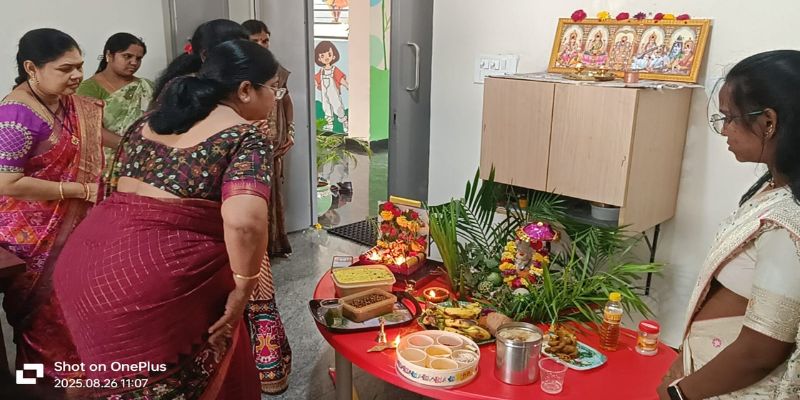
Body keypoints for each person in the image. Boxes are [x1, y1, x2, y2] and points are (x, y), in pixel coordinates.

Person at [54, 40, 280, 399]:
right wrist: (244, 286)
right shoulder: (244, 135)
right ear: (245, 90)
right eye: (274, 89)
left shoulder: (146, 122)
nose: (276, 99)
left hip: (83, 266)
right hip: (150, 282)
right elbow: (245, 223)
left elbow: (110, 187)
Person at [659, 50, 800, 399]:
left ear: (768, 122)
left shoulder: (788, 222)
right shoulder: (773, 188)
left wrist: (680, 394)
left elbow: (761, 351)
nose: (724, 130)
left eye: (729, 118)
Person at [0, 28, 104, 384]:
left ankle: (81, 383)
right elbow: (7, 182)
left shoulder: (70, 105)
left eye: (80, 66)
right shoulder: (15, 114)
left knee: (79, 315)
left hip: (75, 231)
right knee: (44, 321)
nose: (77, 75)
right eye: (65, 68)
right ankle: (40, 387)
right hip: (32, 238)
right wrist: (79, 190)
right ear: (32, 68)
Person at [243, 19, 294, 256]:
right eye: (256, 41)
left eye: (265, 40)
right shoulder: (237, 71)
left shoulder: (275, 69)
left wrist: (290, 131)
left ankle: (273, 245)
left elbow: (286, 100)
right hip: (248, 145)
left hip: (274, 143)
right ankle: (253, 253)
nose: (262, 45)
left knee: (273, 194)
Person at [77, 33, 153, 176]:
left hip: (144, 159)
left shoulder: (146, 86)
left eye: (138, 58)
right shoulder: (89, 88)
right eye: (127, 56)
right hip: (105, 164)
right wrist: (131, 146)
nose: (134, 62)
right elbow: (91, 130)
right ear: (109, 55)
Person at [151, 19, 249, 105]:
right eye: (236, 51)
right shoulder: (188, 88)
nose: (244, 56)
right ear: (205, 55)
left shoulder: (232, 79)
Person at [314, 40, 349, 133]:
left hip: (333, 92)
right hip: (324, 92)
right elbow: (316, 79)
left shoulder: (334, 70)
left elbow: (340, 78)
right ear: (319, 58)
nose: (326, 58)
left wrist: (347, 85)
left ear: (333, 56)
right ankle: (329, 123)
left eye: (329, 54)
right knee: (326, 106)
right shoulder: (321, 71)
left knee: (338, 106)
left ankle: (344, 122)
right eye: (322, 56)